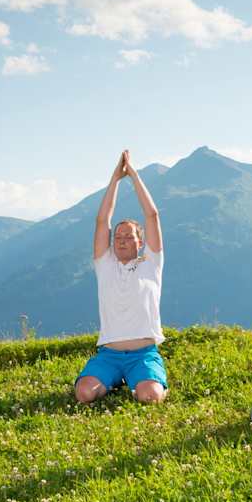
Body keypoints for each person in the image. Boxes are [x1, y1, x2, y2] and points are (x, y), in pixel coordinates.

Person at [75, 150, 168, 404]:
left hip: (144, 353)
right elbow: (102, 219)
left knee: (151, 397)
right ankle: (118, 379)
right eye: (118, 237)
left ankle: (141, 380)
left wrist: (134, 176)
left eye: (129, 237)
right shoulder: (105, 265)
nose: (122, 241)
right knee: (84, 394)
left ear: (140, 242)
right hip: (109, 355)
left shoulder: (151, 263)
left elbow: (152, 215)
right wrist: (115, 179)